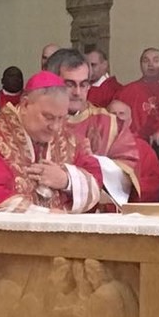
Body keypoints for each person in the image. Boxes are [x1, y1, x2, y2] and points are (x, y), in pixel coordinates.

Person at [0, 72, 103, 214]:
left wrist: (67, 180)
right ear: (25, 105)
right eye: (48, 117)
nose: (55, 127)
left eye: (61, 118)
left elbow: (96, 181)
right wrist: (47, 216)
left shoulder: (67, 139)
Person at [46, 48, 141, 207]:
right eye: (69, 84)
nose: (78, 92)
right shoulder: (33, 119)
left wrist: (94, 162)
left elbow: (127, 174)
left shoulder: (108, 124)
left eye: (84, 84)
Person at [114, 47, 159, 142]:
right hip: (135, 144)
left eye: (156, 60)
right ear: (140, 65)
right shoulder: (128, 91)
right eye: (146, 61)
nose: (150, 64)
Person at [108, 99, 159, 203]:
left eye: (122, 114)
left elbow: (155, 179)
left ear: (130, 121)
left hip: (133, 208)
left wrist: (130, 187)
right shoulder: (96, 145)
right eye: (113, 114)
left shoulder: (143, 148)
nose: (117, 117)